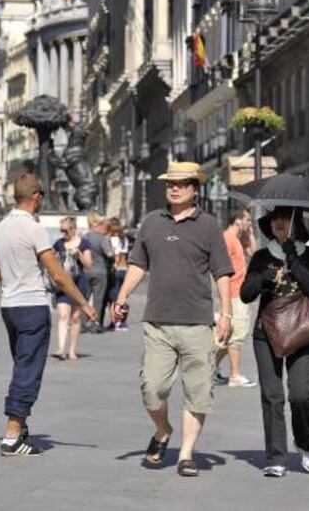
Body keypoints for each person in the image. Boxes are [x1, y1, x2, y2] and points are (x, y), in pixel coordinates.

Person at [114, 161, 233, 477]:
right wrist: (122, 295)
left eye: (182, 183)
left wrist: (227, 313)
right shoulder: (151, 222)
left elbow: (222, 272)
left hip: (197, 323)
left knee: (197, 392)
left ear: (195, 188)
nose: (175, 188)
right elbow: (138, 264)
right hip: (158, 323)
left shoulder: (208, 225)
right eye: (170, 183)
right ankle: (163, 430)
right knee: (152, 388)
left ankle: (186, 453)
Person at [0, 173, 96, 457]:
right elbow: (58, 275)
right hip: (32, 305)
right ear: (36, 196)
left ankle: (20, 429)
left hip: (9, 306)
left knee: (22, 364)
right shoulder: (33, 229)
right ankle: (12, 437)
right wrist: (83, 302)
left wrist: (13, 270)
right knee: (28, 370)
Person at [240, 206, 309, 477]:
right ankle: (276, 457)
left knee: (301, 394)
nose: (279, 222)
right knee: (272, 396)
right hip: (266, 332)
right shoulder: (262, 256)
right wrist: (262, 277)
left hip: (301, 329)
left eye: (285, 218)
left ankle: (307, 444)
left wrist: (292, 257)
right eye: (275, 218)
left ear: (296, 222)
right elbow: (245, 295)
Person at [215, 210, 256, 388]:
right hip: (233, 293)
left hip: (240, 292)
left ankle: (210, 369)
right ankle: (235, 375)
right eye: (248, 220)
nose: (250, 223)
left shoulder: (239, 239)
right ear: (238, 220)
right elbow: (220, 268)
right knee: (237, 336)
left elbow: (254, 252)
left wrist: (251, 233)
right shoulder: (227, 238)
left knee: (229, 337)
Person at [52, 216, 92, 360]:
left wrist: (79, 255)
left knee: (75, 318)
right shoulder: (58, 244)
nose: (63, 233)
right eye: (61, 230)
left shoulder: (84, 243)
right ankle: (60, 349)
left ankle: (72, 349)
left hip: (79, 284)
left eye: (65, 230)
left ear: (73, 229)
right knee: (62, 315)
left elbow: (88, 265)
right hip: (63, 285)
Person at [82, 212, 114, 330]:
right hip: (100, 272)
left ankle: (83, 323)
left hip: (86, 271)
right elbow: (109, 254)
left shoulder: (84, 237)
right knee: (98, 299)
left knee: (84, 299)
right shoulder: (102, 238)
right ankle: (95, 324)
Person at [108, 217, 129, 331]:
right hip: (124, 269)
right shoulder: (124, 239)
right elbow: (124, 255)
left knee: (113, 299)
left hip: (115, 270)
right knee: (123, 297)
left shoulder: (111, 239)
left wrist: (114, 265)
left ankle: (114, 321)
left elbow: (116, 256)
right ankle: (122, 322)